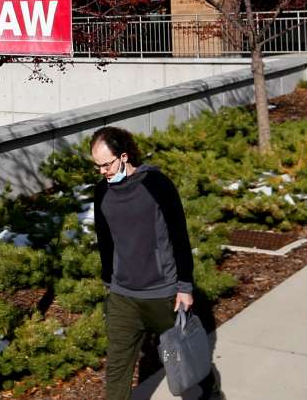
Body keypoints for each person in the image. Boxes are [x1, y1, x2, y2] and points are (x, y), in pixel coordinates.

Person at [90, 126, 222, 400]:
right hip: (123, 295)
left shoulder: (157, 185)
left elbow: (179, 237)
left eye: (106, 164)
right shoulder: (102, 193)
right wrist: (109, 281)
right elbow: (106, 241)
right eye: (97, 166)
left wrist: (184, 286)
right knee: (117, 365)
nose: (103, 171)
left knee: (184, 356)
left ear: (124, 156)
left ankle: (209, 389)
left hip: (162, 292)